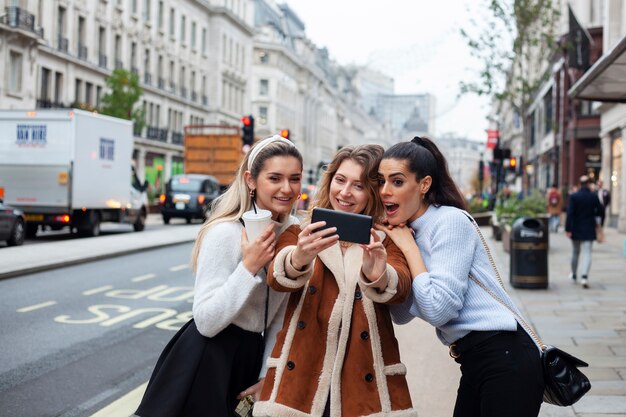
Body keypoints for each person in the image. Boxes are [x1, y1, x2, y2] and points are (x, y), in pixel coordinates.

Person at [135, 135, 303, 417]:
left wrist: (267, 376)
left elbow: (279, 318)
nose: (287, 188)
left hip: (250, 357)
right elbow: (206, 321)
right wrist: (248, 267)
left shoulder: (293, 235)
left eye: (294, 178)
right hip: (207, 358)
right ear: (251, 180)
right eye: (275, 178)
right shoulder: (225, 233)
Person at [377, 136, 544, 417]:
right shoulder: (408, 232)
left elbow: (439, 310)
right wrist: (386, 262)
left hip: (506, 356)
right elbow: (401, 314)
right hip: (474, 360)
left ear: (424, 184)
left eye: (396, 181)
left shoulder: (449, 222)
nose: (384, 191)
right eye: (380, 181)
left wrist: (409, 249)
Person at [253, 145, 416, 417]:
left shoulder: (385, 240)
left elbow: (401, 286)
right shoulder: (301, 233)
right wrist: (299, 257)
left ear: (373, 192)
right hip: (301, 382)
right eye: (340, 180)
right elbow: (277, 278)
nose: (345, 192)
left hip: (362, 385)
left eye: (359, 185)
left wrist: (377, 272)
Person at [565, 175, 604, 289]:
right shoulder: (593, 196)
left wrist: (568, 229)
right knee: (587, 252)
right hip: (589, 228)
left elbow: (570, 213)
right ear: (588, 184)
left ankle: (574, 274)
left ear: (579, 184)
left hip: (576, 229)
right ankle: (584, 276)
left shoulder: (574, 196)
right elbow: (600, 211)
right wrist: (599, 223)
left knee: (575, 252)